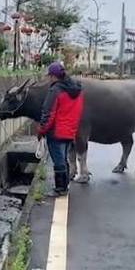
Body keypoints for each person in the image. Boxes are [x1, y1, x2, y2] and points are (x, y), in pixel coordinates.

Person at [37, 62, 84, 196]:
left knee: (58, 162)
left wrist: (41, 130)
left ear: (53, 77)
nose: (48, 79)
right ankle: (65, 186)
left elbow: (48, 114)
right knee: (64, 160)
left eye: (49, 76)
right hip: (69, 132)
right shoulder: (77, 90)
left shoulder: (55, 90)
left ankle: (60, 189)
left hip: (56, 133)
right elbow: (78, 111)